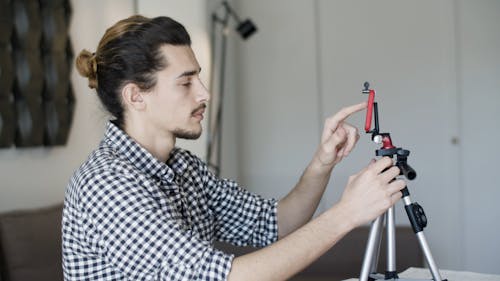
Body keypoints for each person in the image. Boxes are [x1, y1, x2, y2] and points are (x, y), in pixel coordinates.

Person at [62, 15, 405, 281]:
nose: (204, 93)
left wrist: (322, 163)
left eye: (198, 77)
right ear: (136, 96)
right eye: (186, 82)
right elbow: (223, 277)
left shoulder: (184, 168)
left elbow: (276, 223)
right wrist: (347, 213)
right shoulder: (107, 185)